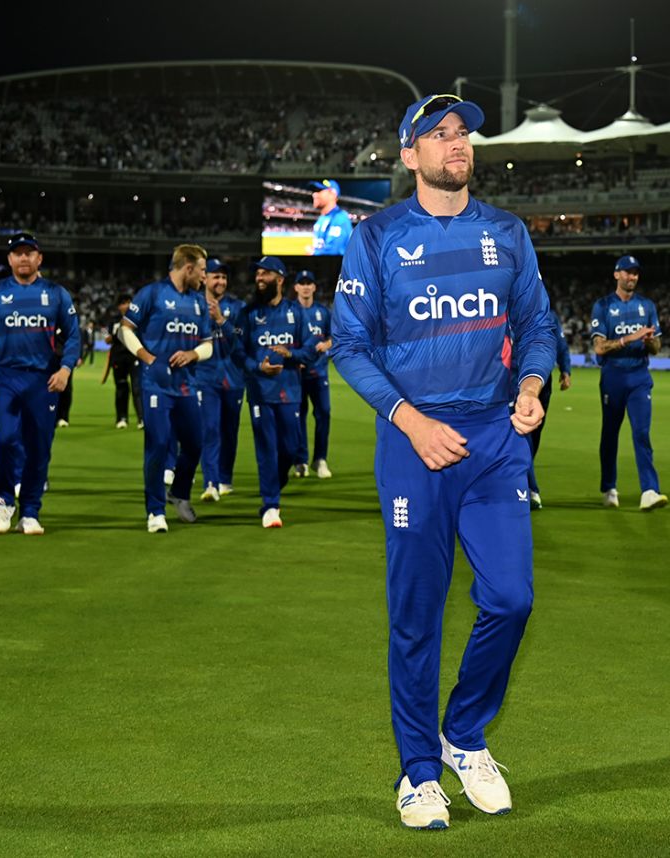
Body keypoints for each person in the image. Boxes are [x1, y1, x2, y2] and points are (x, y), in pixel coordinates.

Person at [332, 93, 556, 830]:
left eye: (463, 134)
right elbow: (351, 346)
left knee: (512, 599)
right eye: (439, 134)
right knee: (416, 617)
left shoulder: (508, 233)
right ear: (409, 155)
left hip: (494, 440)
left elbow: (536, 323)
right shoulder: (376, 237)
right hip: (413, 442)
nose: (457, 143)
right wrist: (409, 419)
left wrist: (529, 383)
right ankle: (418, 773)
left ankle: (464, 734)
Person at [0, 232, 79, 534]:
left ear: (39, 258)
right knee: (3, 440)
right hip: (5, 378)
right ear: (9, 259)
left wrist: (65, 369)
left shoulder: (57, 294)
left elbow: (74, 336)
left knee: (39, 448)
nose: (23, 258)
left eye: (29, 253)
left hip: (42, 380)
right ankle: (4, 501)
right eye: (17, 253)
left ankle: (31, 512)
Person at [119, 244, 213, 534]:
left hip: (186, 385)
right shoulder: (152, 294)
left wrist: (193, 354)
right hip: (156, 385)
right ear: (188, 267)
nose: (204, 277)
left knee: (196, 444)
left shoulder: (198, 302)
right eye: (202, 271)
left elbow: (208, 344)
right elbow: (125, 329)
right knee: (158, 445)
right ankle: (155, 511)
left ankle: (179, 493)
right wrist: (148, 358)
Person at [232, 256, 319, 528]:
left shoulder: (297, 313)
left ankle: (275, 484)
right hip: (260, 392)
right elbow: (237, 353)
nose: (259, 279)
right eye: (257, 274)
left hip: (290, 391)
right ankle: (271, 505)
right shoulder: (246, 315)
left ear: (280, 279)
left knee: (291, 449)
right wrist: (258, 367)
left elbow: (311, 350)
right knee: (266, 448)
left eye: (265, 274)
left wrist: (290, 354)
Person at [590, 255, 668, 511]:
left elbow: (657, 346)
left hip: (639, 378)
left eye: (635, 273)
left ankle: (649, 490)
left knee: (642, 433)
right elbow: (599, 348)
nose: (631, 277)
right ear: (616, 275)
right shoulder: (602, 306)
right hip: (613, 377)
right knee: (610, 434)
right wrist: (628, 339)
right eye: (626, 272)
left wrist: (649, 341)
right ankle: (609, 488)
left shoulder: (647, 306)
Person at [196, 258, 247, 500]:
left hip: (234, 379)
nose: (221, 281)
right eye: (216, 276)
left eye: (224, 277)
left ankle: (225, 478)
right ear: (205, 278)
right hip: (205, 378)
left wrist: (221, 321)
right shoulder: (193, 305)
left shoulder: (238, 308)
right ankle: (211, 483)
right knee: (210, 429)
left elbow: (241, 340)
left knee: (230, 431)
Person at [519, 303, 571, 510]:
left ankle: (523, 479)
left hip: (542, 383)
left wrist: (565, 370)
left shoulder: (548, 316)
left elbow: (559, 344)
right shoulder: (504, 308)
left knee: (535, 433)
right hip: (513, 381)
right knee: (523, 436)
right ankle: (530, 489)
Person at [291, 270, 334, 479]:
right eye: (302, 283)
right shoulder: (290, 311)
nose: (306, 286)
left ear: (315, 287)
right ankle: (300, 461)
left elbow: (334, 337)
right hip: (297, 374)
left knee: (324, 414)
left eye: (310, 283)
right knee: (299, 417)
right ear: (296, 287)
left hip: (319, 372)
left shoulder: (323, 313)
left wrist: (326, 344)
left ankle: (320, 459)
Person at [101, 295, 143, 429]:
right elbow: (103, 329)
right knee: (121, 388)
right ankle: (121, 418)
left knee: (137, 388)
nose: (127, 306)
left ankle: (142, 419)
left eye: (129, 303)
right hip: (118, 357)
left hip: (134, 357)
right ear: (119, 306)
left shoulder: (139, 320)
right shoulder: (114, 321)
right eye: (124, 303)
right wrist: (106, 337)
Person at [310, 179, 353, 255]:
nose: (314, 194)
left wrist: (313, 253)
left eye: (319, 190)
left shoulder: (340, 218)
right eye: (314, 191)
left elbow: (334, 253)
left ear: (333, 194)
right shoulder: (321, 218)